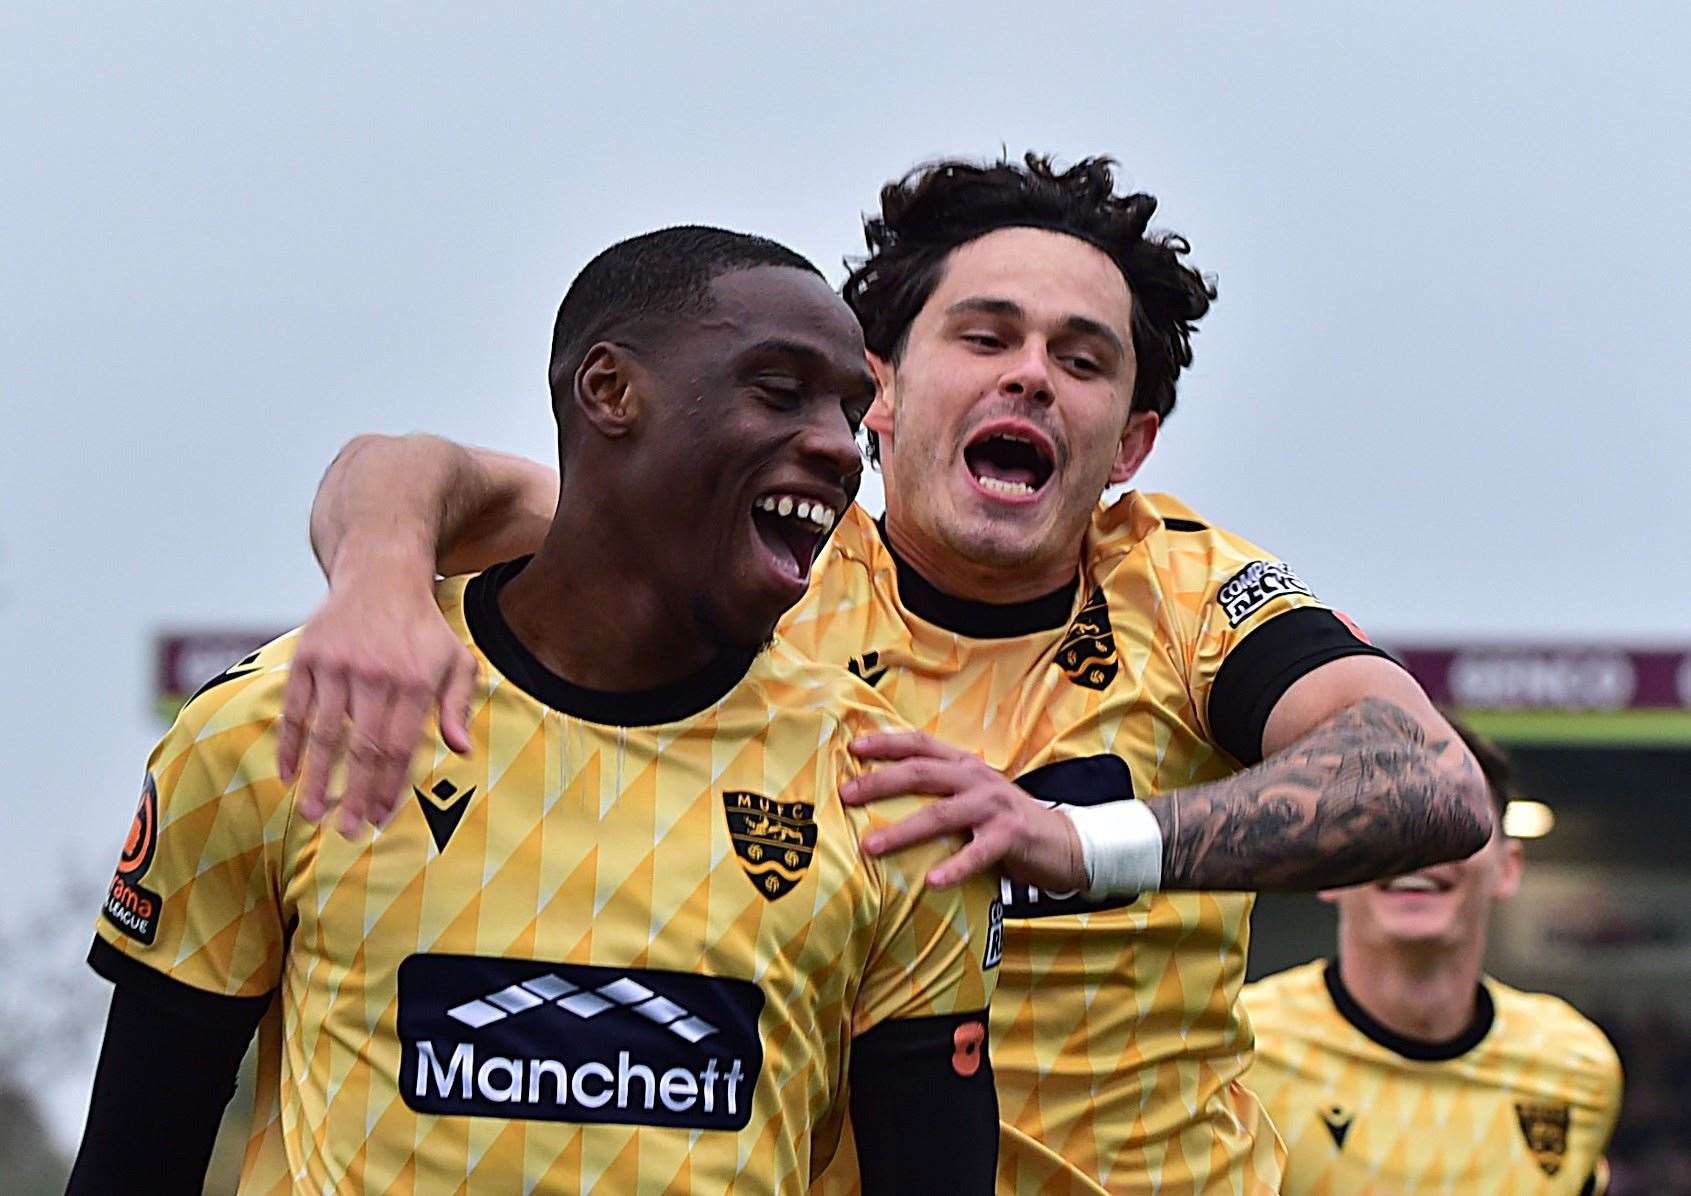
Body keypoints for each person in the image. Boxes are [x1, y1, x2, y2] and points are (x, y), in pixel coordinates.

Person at [282, 155, 1493, 1194]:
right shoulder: (766, 556)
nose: (1028, 374)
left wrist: (1082, 844)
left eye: (1081, 360)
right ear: (884, 392)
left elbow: (1430, 781)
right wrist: (379, 580)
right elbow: (407, 469)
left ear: (1128, 441)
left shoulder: (1182, 594)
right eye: (984, 335)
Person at [68, 226, 1003, 1195]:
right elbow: (135, 1162)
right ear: (608, 391)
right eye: (776, 391)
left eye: (847, 410)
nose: (833, 443)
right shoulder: (287, 723)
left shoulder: (892, 796)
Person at [1242, 718, 1623, 1194]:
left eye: (1455, 818)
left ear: (1508, 868)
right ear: (1330, 864)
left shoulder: (1579, 1066)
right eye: (1384, 819)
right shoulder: (1237, 1052)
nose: (1419, 849)